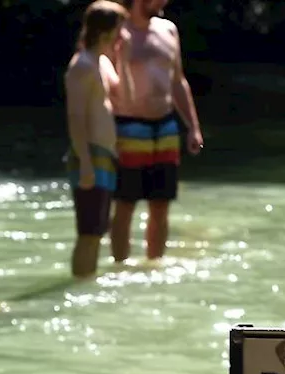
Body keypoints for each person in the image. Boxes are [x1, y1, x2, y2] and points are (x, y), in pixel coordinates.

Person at [108, 0, 203, 265]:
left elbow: (178, 81)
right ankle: (120, 266)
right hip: (127, 126)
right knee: (125, 204)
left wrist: (193, 127)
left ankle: (154, 265)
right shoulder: (117, 30)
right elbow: (101, 80)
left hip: (165, 126)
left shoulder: (169, 29)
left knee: (161, 203)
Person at [64, 0, 129, 278]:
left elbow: (123, 96)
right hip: (88, 156)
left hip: (104, 154)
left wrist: (120, 56)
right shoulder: (82, 65)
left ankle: (87, 280)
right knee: (88, 232)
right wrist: (86, 163)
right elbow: (76, 117)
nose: (122, 36)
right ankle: (79, 283)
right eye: (119, 31)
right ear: (105, 32)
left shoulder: (101, 63)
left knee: (98, 231)